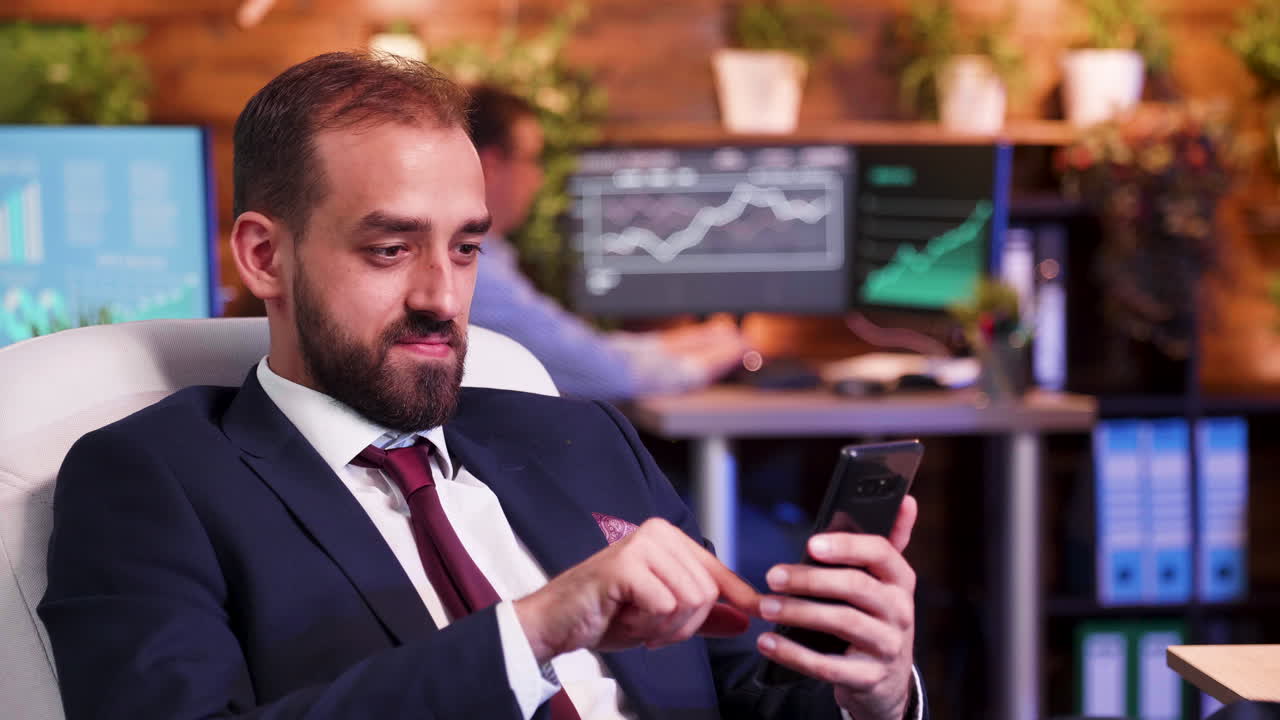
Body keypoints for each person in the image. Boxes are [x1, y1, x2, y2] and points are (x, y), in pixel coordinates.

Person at [39, 52, 926, 720]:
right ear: (266, 257)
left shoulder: (583, 442)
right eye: (389, 249)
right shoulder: (151, 479)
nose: (441, 298)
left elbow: (744, 697)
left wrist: (869, 692)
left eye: (465, 248)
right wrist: (531, 633)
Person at [466, 85, 747, 400]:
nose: (539, 178)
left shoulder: (491, 257)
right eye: (532, 160)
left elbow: (584, 350)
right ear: (490, 166)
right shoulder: (475, 271)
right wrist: (714, 360)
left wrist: (688, 343)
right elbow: (606, 375)